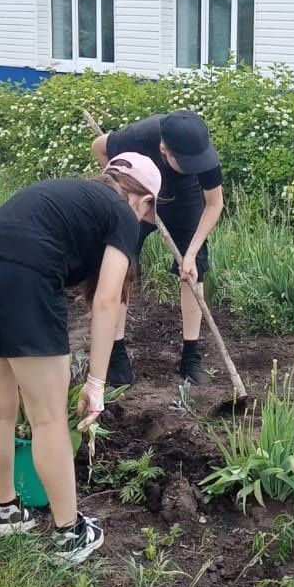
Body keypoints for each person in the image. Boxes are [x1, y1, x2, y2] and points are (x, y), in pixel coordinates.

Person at [0, 153, 162, 563]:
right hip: (22, 281)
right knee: (47, 418)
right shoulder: (123, 213)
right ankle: (69, 534)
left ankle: (8, 512)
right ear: (145, 201)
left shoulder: (69, 192)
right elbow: (109, 300)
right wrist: (96, 383)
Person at [90, 111, 224, 386]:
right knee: (120, 266)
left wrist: (189, 254)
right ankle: (116, 352)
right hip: (140, 197)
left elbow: (214, 204)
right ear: (164, 150)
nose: (195, 166)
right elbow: (99, 147)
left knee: (194, 269)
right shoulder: (139, 137)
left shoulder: (202, 153)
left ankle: (191, 356)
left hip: (184, 200)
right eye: (185, 163)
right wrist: (122, 195)